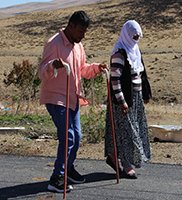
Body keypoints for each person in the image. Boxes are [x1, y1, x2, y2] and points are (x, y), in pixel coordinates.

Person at [38, 11, 107, 193]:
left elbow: (82, 69)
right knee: (68, 136)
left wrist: (96, 68)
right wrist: (53, 65)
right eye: (81, 31)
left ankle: (67, 169)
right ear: (71, 26)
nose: (83, 35)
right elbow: (42, 71)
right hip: (56, 97)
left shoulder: (78, 46)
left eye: (85, 32)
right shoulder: (54, 43)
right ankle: (56, 178)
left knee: (77, 138)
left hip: (73, 97)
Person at [104, 20, 152, 179]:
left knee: (131, 130)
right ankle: (126, 165)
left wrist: (145, 94)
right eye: (134, 36)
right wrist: (122, 101)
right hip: (124, 101)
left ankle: (114, 157)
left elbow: (141, 75)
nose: (136, 39)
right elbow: (115, 80)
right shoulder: (119, 53)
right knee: (127, 133)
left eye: (138, 36)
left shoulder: (135, 51)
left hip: (135, 98)